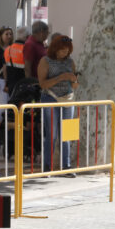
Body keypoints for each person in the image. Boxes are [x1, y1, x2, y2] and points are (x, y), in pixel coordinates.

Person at [38, 35, 79, 175]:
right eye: (62, 50)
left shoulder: (70, 62)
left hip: (68, 99)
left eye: (67, 50)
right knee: (51, 134)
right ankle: (47, 167)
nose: (65, 53)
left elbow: (75, 85)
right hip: (50, 98)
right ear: (55, 49)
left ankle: (66, 166)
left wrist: (74, 81)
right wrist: (61, 77)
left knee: (67, 134)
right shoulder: (45, 61)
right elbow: (42, 84)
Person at [4, 27, 28, 98]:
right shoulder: (26, 49)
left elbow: (5, 68)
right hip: (23, 84)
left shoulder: (8, 49)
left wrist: (6, 84)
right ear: (27, 37)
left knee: (13, 105)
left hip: (11, 84)